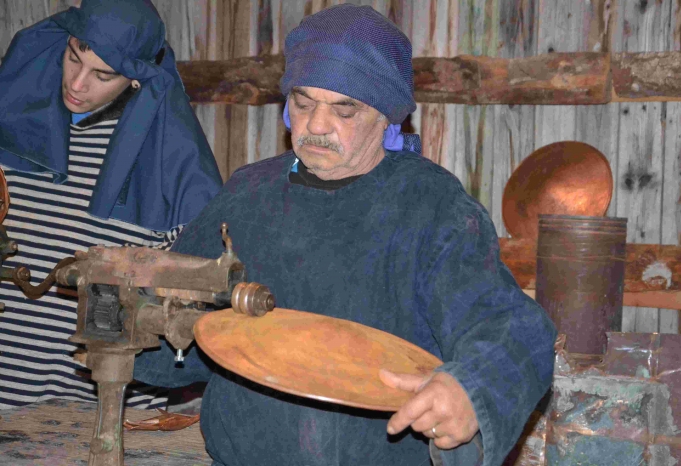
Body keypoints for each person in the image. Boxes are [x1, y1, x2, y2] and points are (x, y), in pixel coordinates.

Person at [134, 4, 556, 466]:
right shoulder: (247, 195)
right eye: (303, 102)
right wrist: (135, 317)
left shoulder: (431, 207)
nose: (316, 125)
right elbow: (179, 331)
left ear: (386, 116)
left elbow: (509, 327)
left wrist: (473, 389)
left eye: (344, 109)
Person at [0, 0, 222, 410]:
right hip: (7, 392)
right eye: (73, 57)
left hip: (108, 404)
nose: (78, 83)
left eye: (103, 74)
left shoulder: (170, 167)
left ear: (137, 79)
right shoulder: (8, 129)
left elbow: (194, 304)